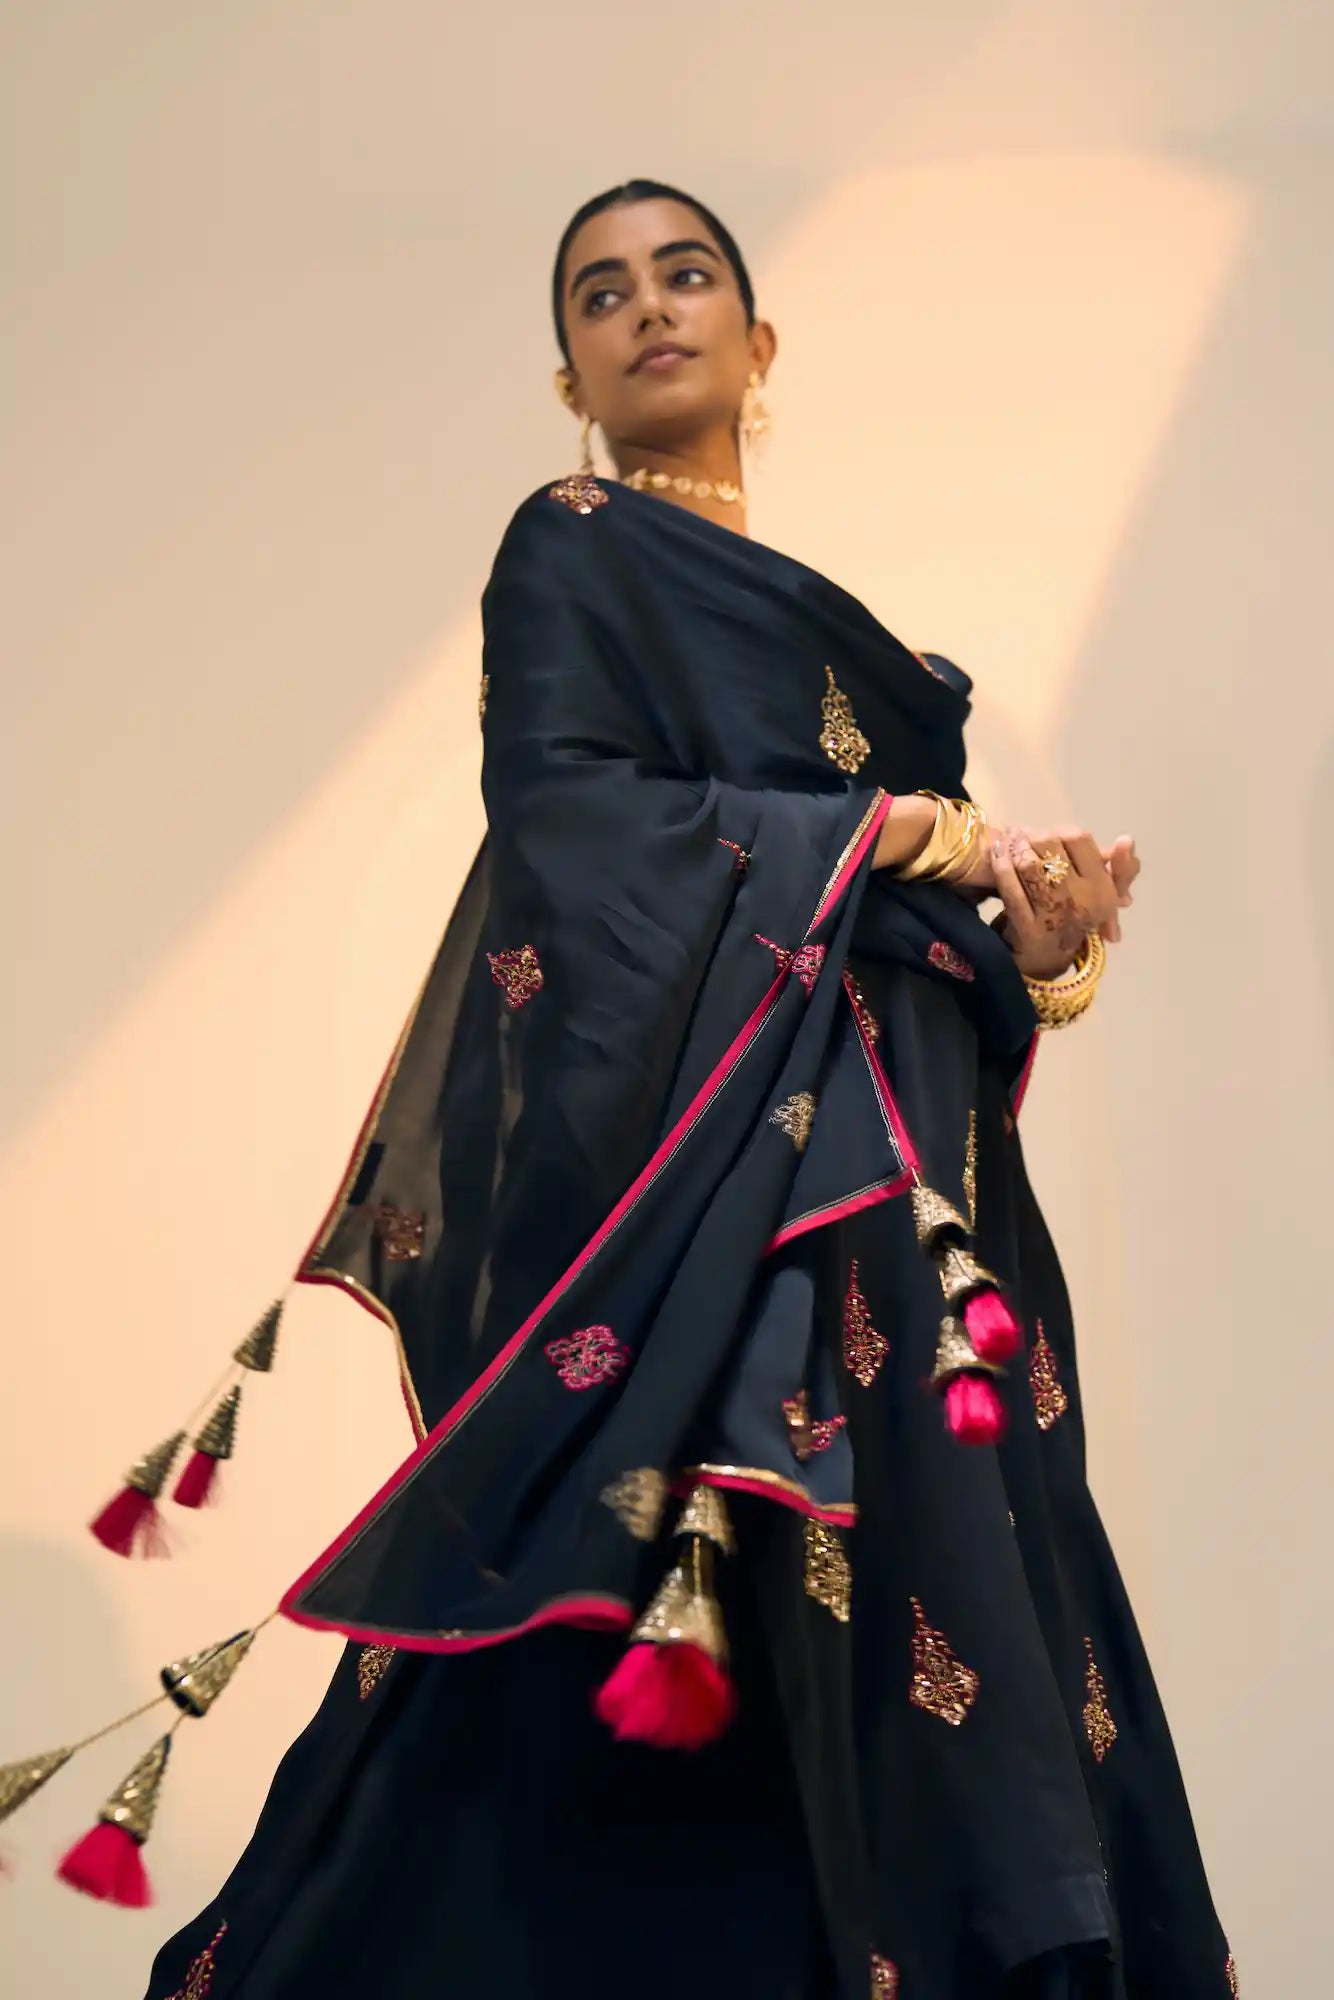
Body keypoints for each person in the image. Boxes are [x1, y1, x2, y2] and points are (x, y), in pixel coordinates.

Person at [11, 178, 1235, 1999]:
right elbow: (574, 833)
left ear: (759, 338)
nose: (648, 306)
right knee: (677, 1611)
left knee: (949, 1631)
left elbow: (922, 961)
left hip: (903, 1212)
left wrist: (1040, 947)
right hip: (707, 1201)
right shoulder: (569, 546)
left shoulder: (853, 657)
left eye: (684, 274)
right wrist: (906, 833)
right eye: (601, 292)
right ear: (568, 376)